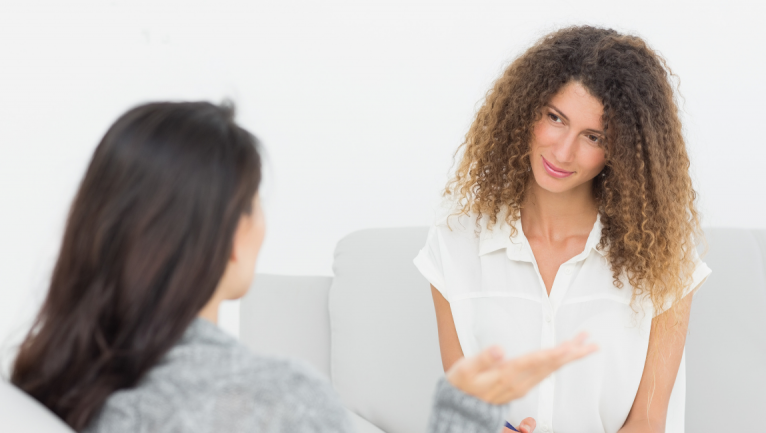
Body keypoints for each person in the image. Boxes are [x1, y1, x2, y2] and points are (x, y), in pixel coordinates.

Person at [10, 101, 596, 433]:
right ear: (227, 234)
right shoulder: (274, 401)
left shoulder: (43, 384)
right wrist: (462, 412)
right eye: (253, 202)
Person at [413, 26, 712, 433]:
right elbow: (467, 408)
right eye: (555, 118)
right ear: (526, 110)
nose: (563, 151)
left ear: (621, 151)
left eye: (593, 137)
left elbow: (648, 420)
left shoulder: (663, 259)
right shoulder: (455, 245)